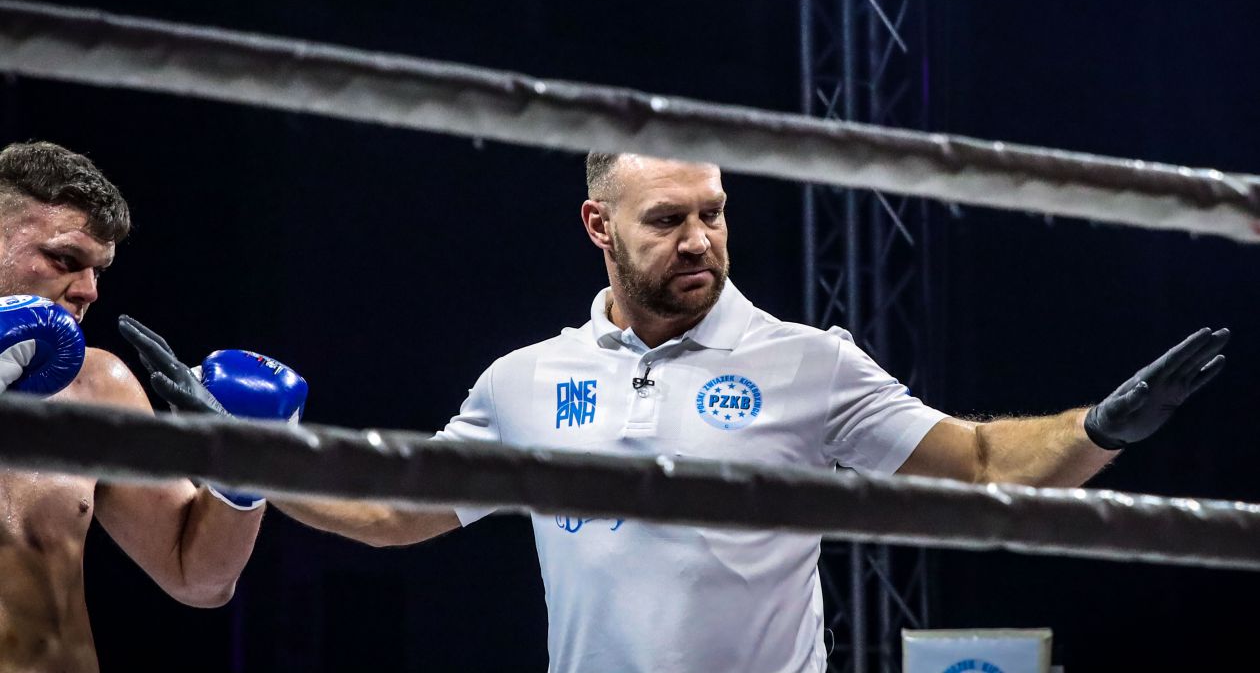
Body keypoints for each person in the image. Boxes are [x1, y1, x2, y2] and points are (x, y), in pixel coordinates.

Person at [125, 152, 1229, 673]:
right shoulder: (524, 378)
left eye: (714, 213)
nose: (700, 239)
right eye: (668, 220)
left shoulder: (807, 362)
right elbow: (396, 513)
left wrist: (1101, 427)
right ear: (598, 226)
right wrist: (251, 461)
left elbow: (977, 460)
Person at [0, 140, 305, 673]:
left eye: (99, 271)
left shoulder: (99, 387)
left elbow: (199, 579)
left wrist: (241, 469)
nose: (89, 291)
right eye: (65, 260)